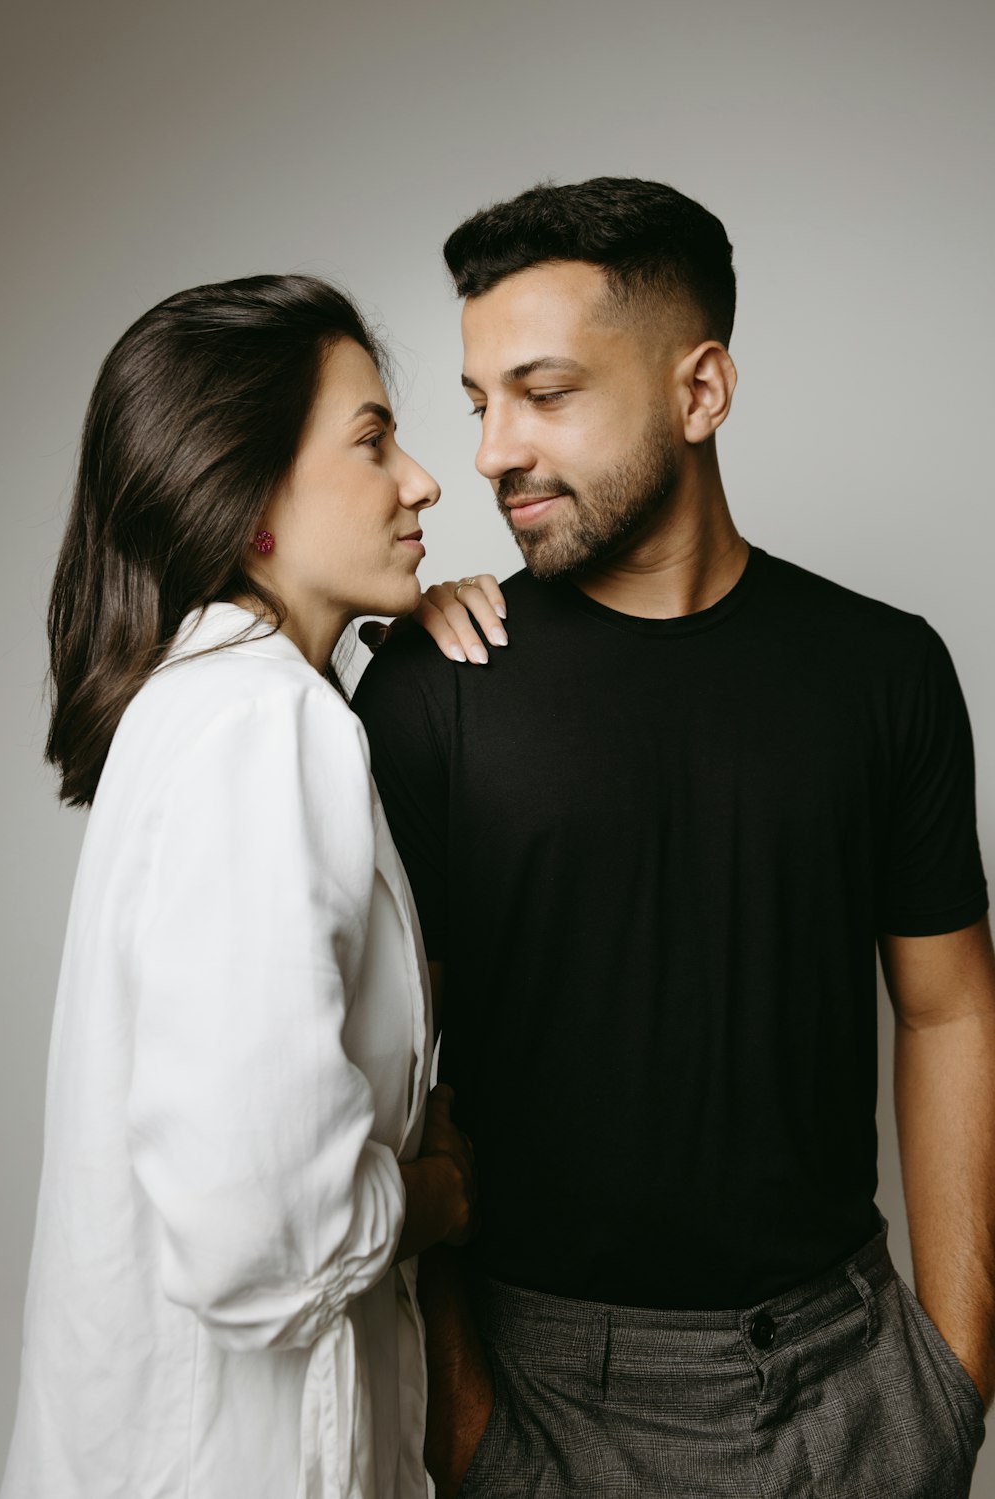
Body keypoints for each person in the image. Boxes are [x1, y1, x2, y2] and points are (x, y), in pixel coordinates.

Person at [353, 178, 995, 1497]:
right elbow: (383, 1082)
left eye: (545, 392)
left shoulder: (887, 670)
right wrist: (470, 1426)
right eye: (481, 404)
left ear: (701, 391)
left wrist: (958, 1369)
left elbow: (949, 1011)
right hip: (545, 1402)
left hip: (858, 1378)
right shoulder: (433, 685)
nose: (490, 452)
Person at [0, 273, 480, 1499]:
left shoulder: (211, 706)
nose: (424, 478)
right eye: (372, 441)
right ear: (248, 500)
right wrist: (436, 1195)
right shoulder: (260, 726)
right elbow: (266, 1234)